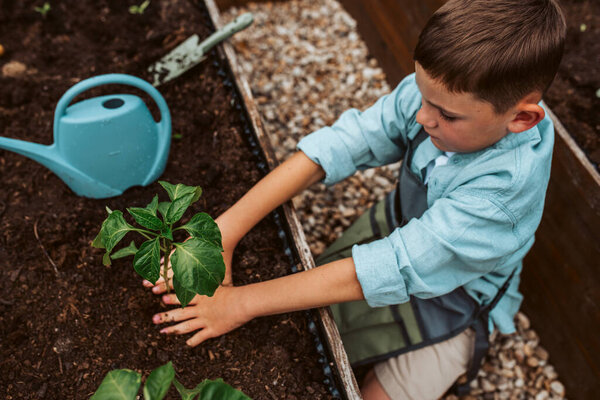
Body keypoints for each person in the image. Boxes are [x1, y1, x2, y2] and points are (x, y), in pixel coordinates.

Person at [143, 0, 566, 398]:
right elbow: (348, 142)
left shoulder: (500, 197)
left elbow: (392, 266)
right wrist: (225, 230)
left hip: (458, 300)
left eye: (446, 115)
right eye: (422, 98)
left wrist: (239, 304)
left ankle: (462, 348)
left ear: (521, 118)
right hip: (400, 227)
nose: (422, 117)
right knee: (307, 320)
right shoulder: (443, 94)